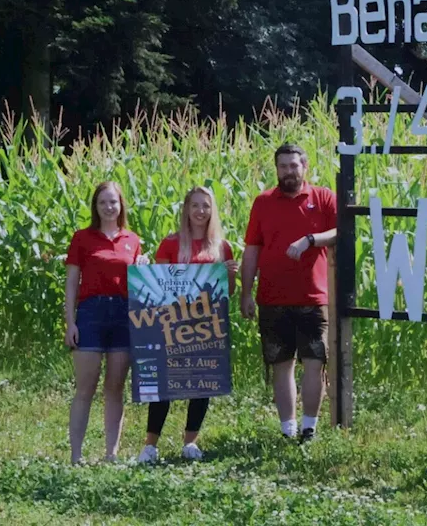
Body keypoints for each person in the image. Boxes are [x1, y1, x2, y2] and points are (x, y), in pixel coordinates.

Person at [238, 143, 338, 442]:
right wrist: (246, 292)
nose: (288, 171)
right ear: (276, 169)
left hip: (313, 297)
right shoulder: (263, 202)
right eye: (283, 166)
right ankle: (287, 428)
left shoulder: (323, 197)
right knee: (282, 366)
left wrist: (310, 239)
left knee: (314, 362)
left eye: (294, 165)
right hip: (272, 298)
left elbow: (341, 231)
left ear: (304, 165)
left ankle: (309, 428)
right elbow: (252, 249)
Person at [137, 186, 239, 463]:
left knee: (201, 384)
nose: (200, 211)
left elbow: (227, 292)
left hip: (206, 325)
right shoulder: (170, 243)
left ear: (212, 210)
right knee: (165, 384)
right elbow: (157, 286)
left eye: (206, 206)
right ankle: (150, 446)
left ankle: (190, 443)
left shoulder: (221, 246)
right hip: (173, 323)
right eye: (195, 205)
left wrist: (230, 274)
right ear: (186, 209)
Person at [64, 181, 146, 464]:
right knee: (85, 388)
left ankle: (111, 454)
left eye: (113, 202)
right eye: (103, 203)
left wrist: (143, 270)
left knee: (115, 387)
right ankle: (76, 455)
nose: (109, 207)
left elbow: (139, 284)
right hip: (91, 314)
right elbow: (72, 283)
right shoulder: (82, 238)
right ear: (95, 207)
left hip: (123, 315)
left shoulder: (133, 240)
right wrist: (70, 323)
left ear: (121, 204)